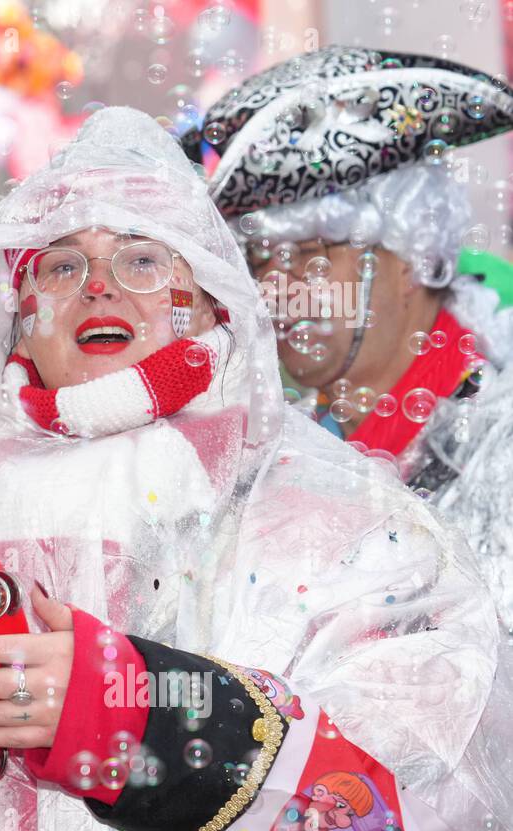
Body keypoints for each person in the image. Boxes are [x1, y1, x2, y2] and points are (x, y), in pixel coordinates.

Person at [0, 107, 511, 831]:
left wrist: (143, 719)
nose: (98, 288)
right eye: (62, 265)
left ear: (209, 302)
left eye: (141, 259)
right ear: (20, 316)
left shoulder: (336, 517)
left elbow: (428, 825)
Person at [186, 46, 513, 627]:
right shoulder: (272, 442)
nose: (276, 286)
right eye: (260, 258)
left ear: (414, 256)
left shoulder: (498, 439)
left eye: (312, 253)